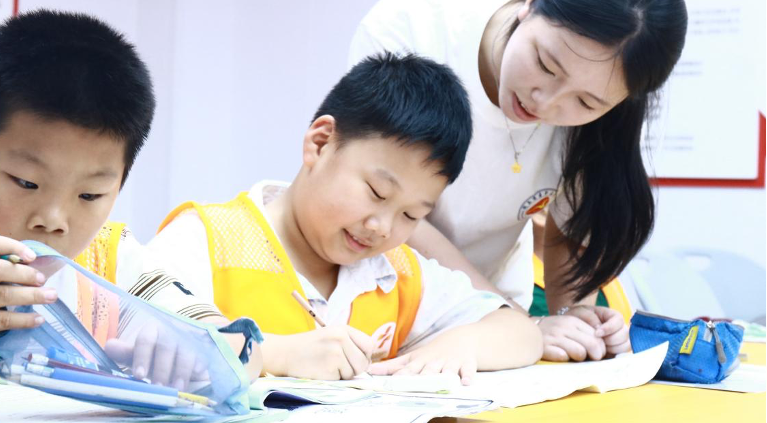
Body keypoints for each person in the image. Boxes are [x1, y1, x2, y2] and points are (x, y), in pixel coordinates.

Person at [348, 0, 687, 362]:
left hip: (493, 321)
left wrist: (575, 319)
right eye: (546, 65)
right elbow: (393, 210)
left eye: (585, 102)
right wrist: (514, 322)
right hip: (380, 299)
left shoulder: (607, 102)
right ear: (533, 0)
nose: (546, 102)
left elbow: (568, 230)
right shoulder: (412, 28)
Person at [0, 10, 260, 393]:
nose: (53, 219)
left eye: (89, 195)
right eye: (26, 182)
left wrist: (196, 354)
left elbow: (239, 347)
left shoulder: (113, 261)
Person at [151, 53, 543, 384]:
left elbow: (521, 333)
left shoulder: (395, 273)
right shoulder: (207, 240)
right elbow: (145, 337)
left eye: (411, 215)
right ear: (321, 142)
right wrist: (277, 354)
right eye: (377, 192)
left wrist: (460, 344)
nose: (383, 228)